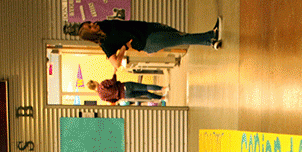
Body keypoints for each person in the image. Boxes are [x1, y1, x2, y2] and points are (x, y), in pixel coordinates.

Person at [71, 16, 222, 69]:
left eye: (90, 23)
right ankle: (211, 36)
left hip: (147, 28)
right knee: (181, 39)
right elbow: (115, 64)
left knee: (179, 34)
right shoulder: (105, 44)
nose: (93, 24)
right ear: (91, 34)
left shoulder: (103, 24)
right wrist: (124, 48)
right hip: (147, 41)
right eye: (90, 26)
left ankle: (210, 42)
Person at [87, 75, 166, 103]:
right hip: (125, 87)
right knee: (145, 87)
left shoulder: (101, 97)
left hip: (126, 96)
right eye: (93, 81)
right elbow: (112, 81)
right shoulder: (102, 85)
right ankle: (163, 88)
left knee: (145, 93)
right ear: (93, 83)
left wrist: (120, 96)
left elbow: (113, 101)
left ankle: (163, 98)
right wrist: (114, 72)